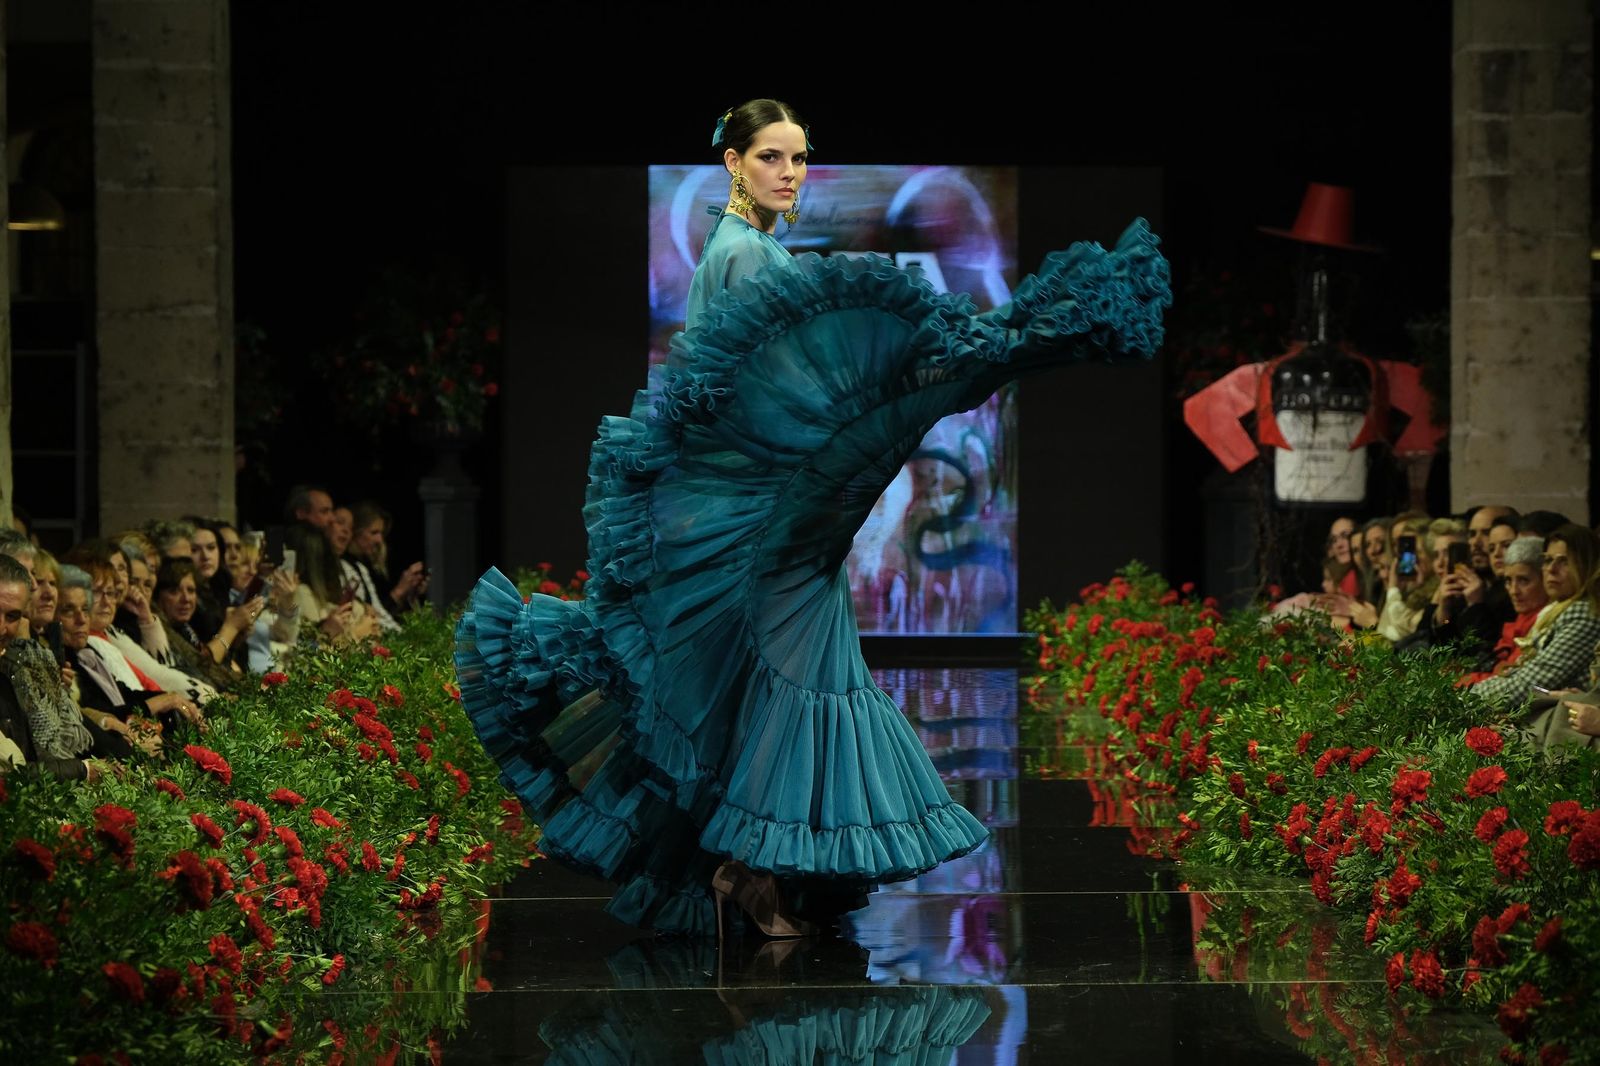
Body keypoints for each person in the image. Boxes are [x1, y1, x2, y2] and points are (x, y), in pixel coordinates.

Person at [454, 99, 1170, 939]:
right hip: (771, 512)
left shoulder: (748, 250)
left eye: (798, 158)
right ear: (733, 164)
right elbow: (758, 402)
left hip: (784, 508)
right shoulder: (741, 255)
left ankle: (754, 872)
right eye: (770, 157)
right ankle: (749, 870)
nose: (789, 173)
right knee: (779, 675)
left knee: (771, 676)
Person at [1472, 524, 1600, 713]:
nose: (1552, 569)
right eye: (1547, 560)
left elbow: (1529, 683)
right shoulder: (1556, 609)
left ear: (1586, 565)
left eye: (1564, 561)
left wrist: (1464, 699)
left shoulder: (1585, 614)